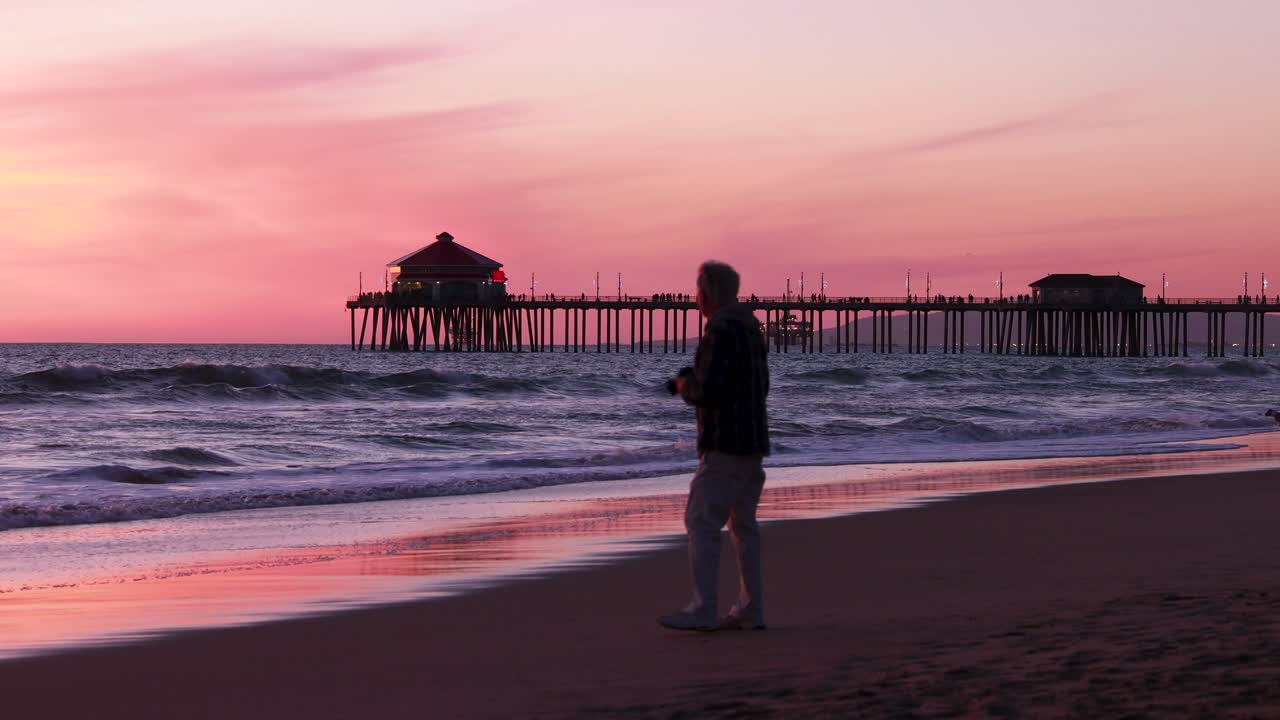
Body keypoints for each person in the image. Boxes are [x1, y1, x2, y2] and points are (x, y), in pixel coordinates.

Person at [659, 261, 770, 632]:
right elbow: (759, 386)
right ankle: (750, 609)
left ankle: (703, 608)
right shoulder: (752, 331)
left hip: (724, 443)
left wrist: (682, 385)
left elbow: (708, 391)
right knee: (744, 526)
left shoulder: (719, 332)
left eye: (697, 292)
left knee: (700, 519)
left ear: (704, 294)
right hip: (753, 441)